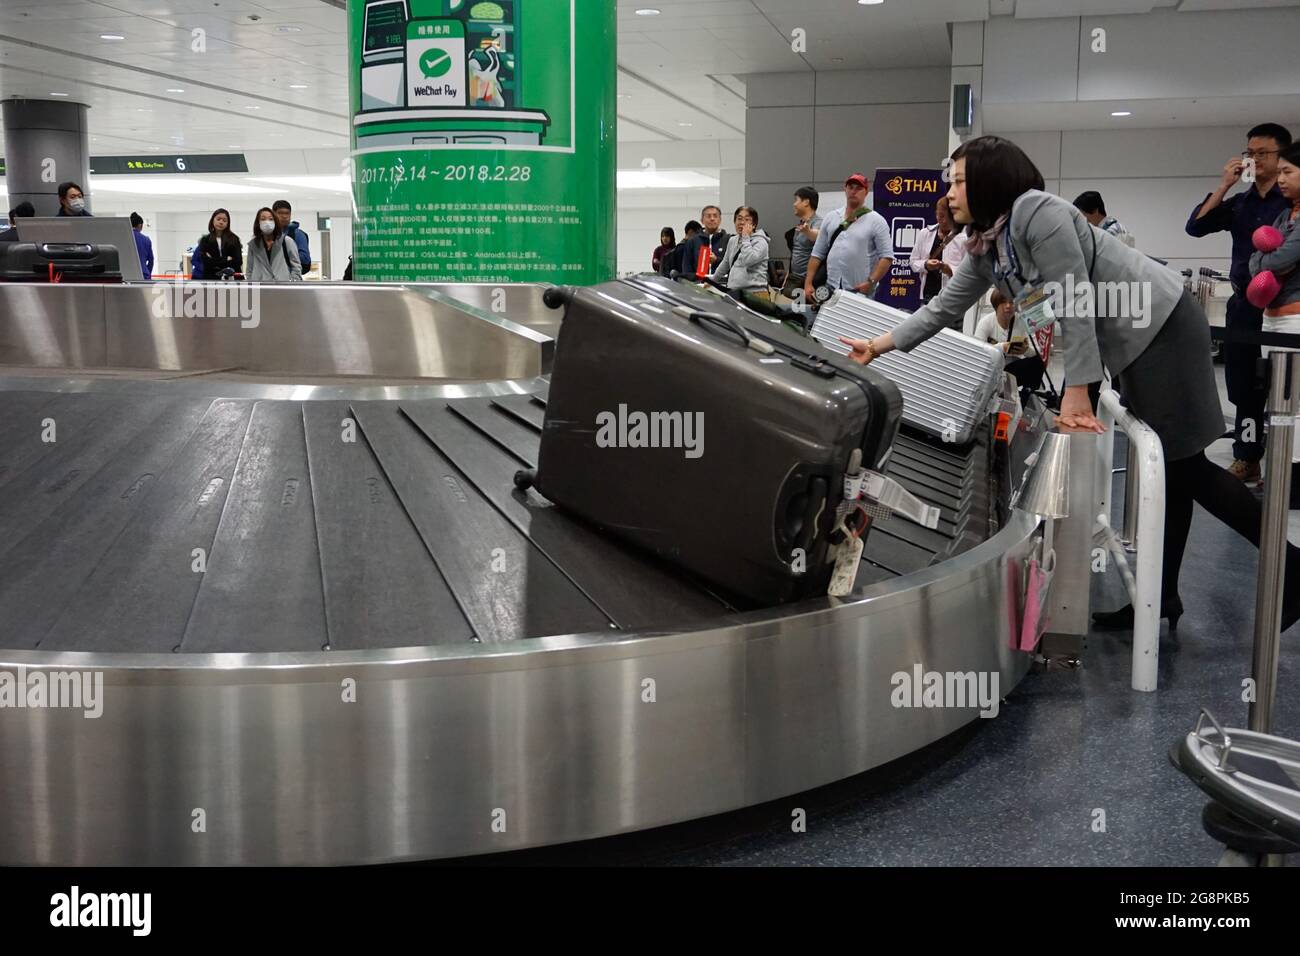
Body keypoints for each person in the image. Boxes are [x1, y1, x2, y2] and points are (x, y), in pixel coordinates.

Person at [839, 134, 1300, 634]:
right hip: (1131, 339)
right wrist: (879, 345)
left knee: (1186, 468)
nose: (949, 193)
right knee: (1174, 469)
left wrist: (1078, 389)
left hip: (1161, 325)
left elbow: (1074, 297)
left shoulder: (1038, 213)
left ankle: (1290, 568)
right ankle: (1162, 597)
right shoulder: (986, 244)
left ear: (991, 181)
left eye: (958, 182)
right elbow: (941, 309)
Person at [1186, 122, 1293, 484]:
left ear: (1282, 158)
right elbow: (1195, 227)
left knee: (1284, 388)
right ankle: (1247, 457)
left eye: (1262, 153)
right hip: (1243, 306)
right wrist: (1224, 185)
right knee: (1242, 385)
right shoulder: (1240, 203)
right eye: (1250, 152)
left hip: (1283, 309)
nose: (1254, 159)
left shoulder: (1290, 203)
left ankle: (1287, 463)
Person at [1249, 142, 1300, 483]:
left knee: (1296, 401)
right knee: (1279, 398)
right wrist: (1264, 261)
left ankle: (1293, 476)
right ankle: (1280, 469)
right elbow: (1255, 263)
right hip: (1273, 315)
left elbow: (1280, 258)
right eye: (1279, 171)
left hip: (1296, 316)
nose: (1280, 179)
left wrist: (1265, 259)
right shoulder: (1285, 215)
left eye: (1288, 172)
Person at [803, 173, 894, 302]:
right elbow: (817, 254)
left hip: (859, 290)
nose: (853, 191)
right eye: (850, 187)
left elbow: (887, 257)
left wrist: (871, 282)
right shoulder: (831, 217)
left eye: (858, 188)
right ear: (845, 189)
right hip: (831, 287)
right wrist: (808, 283)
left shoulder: (876, 221)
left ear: (866, 192)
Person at [974, 290, 1045, 394]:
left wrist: (1026, 350)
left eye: (1011, 302)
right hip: (991, 371)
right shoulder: (985, 323)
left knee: (1037, 362)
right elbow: (977, 353)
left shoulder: (1022, 320)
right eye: (1003, 302)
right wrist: (1002, 347)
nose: (1008, 306)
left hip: (1010, 369)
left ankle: (1026, 396)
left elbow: (1037, 351)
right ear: (996, 305)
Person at [909, 196, 968, 309]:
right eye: (939, 215)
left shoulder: (963, 238)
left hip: (952, 296)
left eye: (945, 217)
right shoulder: (925, 233)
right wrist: (926, 264)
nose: (942, 220)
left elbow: (968, 271)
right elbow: (913, 262)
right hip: (928, 294)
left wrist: (950, 270)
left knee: (951, 327)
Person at [711, 206, 770, 297]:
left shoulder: (761, 242)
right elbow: (725, 264)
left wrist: (745, 237)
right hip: (734, 292)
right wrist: (712, 281)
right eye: (739, 219)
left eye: (747, 219)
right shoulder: (732, 240)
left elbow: (749, 260)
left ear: (754, 225)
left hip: (755, 294)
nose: (742, 222)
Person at [784, 186, 823, 298]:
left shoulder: (818, 222)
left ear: (806, 202)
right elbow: (796, 252)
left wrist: (808, 231)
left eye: (796, 200)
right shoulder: (801, 224)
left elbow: (819, 236)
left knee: (799, 313)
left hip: (805, 281)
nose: (794, 204)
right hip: (794, 279)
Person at [246, 207, 303, 281]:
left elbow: (296, 266)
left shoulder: (287, 241)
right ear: (258, 223)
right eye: (263, 219)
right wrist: (251, 285)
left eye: (270, 219)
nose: (267, 222)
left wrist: (292, 283)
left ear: (275, 222)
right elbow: (249, 269)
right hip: (260, 287)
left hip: (283, 288)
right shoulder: (253, 244)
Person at [679, 206, 729, 277]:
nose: (712, 219)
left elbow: (732, 267)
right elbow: (687, 269)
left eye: (715, 216)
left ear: (720, 220)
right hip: (698, 285)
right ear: (702, 220)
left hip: (722, 285)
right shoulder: (692, 241)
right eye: (708, 216)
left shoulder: (728, 240)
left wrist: (716, 260)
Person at [197, 208, 243, 278]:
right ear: (213, 220)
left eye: (224, 220)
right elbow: (205, 262)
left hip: (232, 278)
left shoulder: (234, 239)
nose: (221, 222)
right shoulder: (205, 240)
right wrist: (226, 259)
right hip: (212, 278)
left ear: (228, 223)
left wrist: (214, 260)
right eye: (218, 219)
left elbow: (238, 262)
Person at [272, 200, 311, 274]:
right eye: (280, 213)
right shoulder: (267, 234)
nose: (284, 216)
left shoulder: (298, 234)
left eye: (287, 213)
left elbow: (305, 260)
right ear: (273, 214)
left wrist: (284, 254)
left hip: (291, 279)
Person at [129, 213, 154, 280]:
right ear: (140, 225)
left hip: (128, 274)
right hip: (143, 274)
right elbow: (151, 260)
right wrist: (148, 273)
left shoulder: (125, 239)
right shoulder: (146, 240)